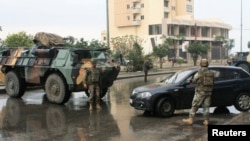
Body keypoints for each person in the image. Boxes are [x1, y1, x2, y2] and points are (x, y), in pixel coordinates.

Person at [182, 58, 214, 126]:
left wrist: (190, 81)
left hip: (200, 92)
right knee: (206, 107)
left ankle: (190, 119)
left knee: (194, 105)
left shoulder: (199, 73)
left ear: (201, 64)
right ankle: (206, 120)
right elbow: (213, 82)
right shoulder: (211, 73)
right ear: (207, 64)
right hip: (208, 93)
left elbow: (194, 80)